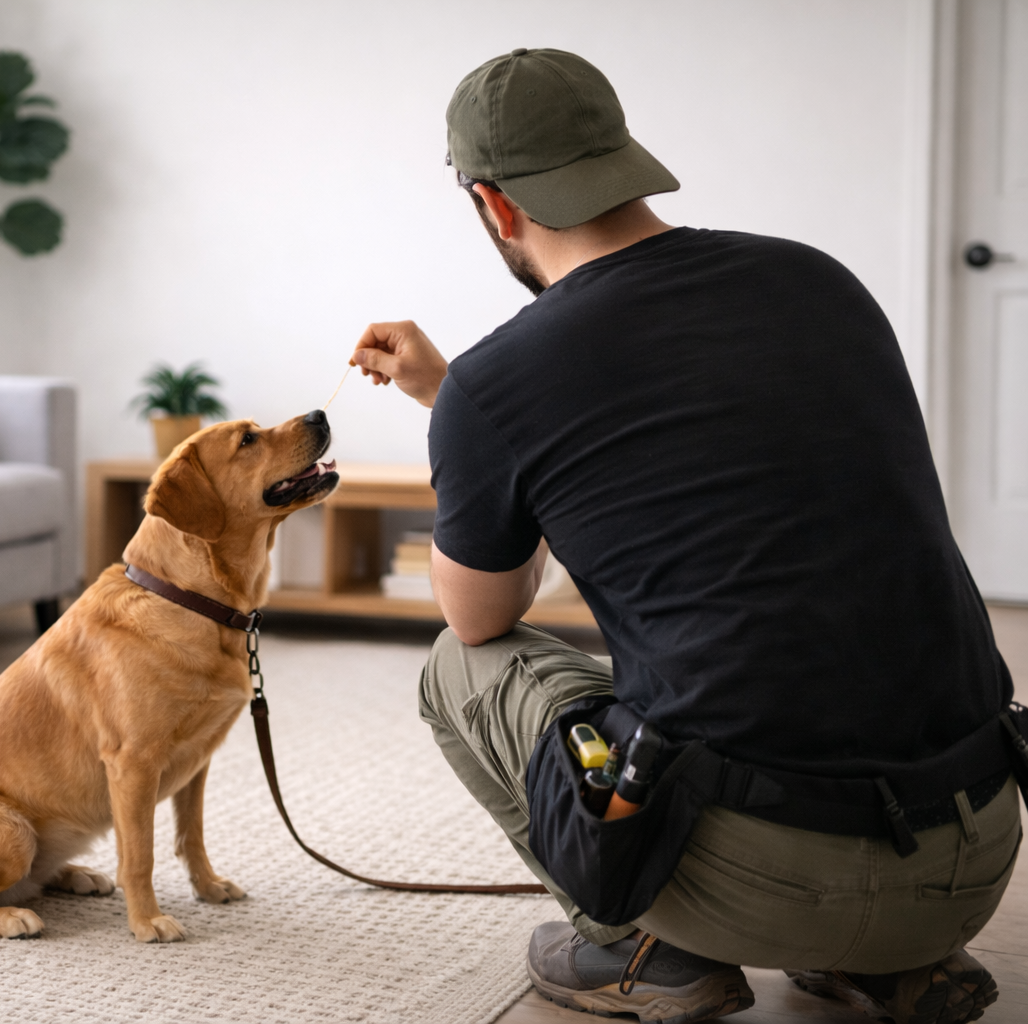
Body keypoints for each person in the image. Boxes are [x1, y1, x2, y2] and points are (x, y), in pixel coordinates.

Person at [352, 49, 1019, 1024]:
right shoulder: (819, 282)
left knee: (460, 665)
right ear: (622, 157)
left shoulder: (499, 382)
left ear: (495, 205)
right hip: (976, 844)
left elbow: (483, 610)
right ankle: (890, 961)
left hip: (769, 876)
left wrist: (457, 406)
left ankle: (641, 941)